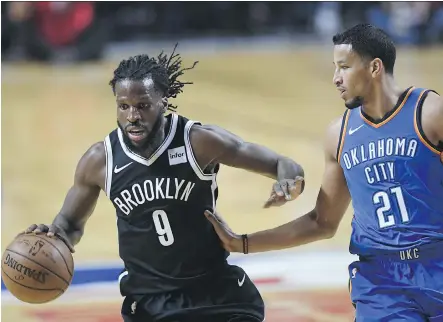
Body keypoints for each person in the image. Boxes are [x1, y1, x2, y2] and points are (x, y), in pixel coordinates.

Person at [22, 45, 305, 322]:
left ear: (163, 103)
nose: (132, 116)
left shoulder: (199, 142)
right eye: (123, 107)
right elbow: (69, 225)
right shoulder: (100, 160)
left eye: (142, 106)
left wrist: (288, 181)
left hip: (218, 294)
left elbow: (282, 164)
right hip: (149, 304)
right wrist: (52, 237)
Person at [205, 24, 443, 321]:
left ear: (374, 67)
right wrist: (241, 243)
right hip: (382, 282)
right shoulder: (339, 134)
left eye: (344, 67)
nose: (335, 78)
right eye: (334, 68)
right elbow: (322, 222)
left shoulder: (430, 113)